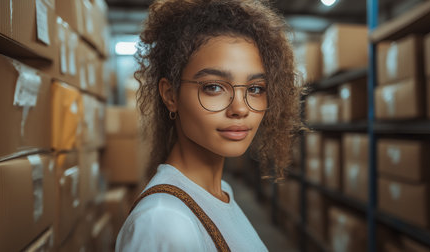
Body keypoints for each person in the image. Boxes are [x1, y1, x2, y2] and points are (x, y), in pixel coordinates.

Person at [115, 0, 303, 251]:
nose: (240, 108)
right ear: (171, 96)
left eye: (256, 89)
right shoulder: (166, 223)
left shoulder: (219, 192)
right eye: (214, 87)